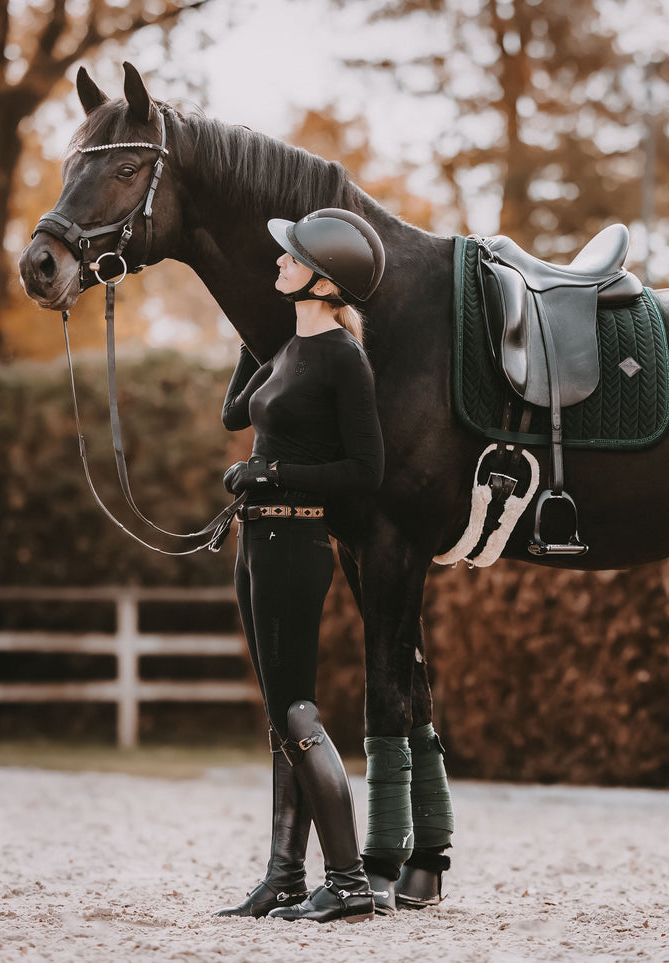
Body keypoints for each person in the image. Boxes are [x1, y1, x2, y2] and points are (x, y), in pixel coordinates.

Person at [213, 209, 386, 924]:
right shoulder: (284, 350)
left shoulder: (343, 357)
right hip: (256, 543)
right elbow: (234, 413)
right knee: (276, 716)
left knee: (297, 711)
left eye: (290, 257)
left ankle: (345, 881)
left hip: (295, 543)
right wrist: (253, 341)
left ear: (321, 278)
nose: (276, 260)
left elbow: (365, 470)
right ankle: (285, 877)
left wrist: (275, 470)